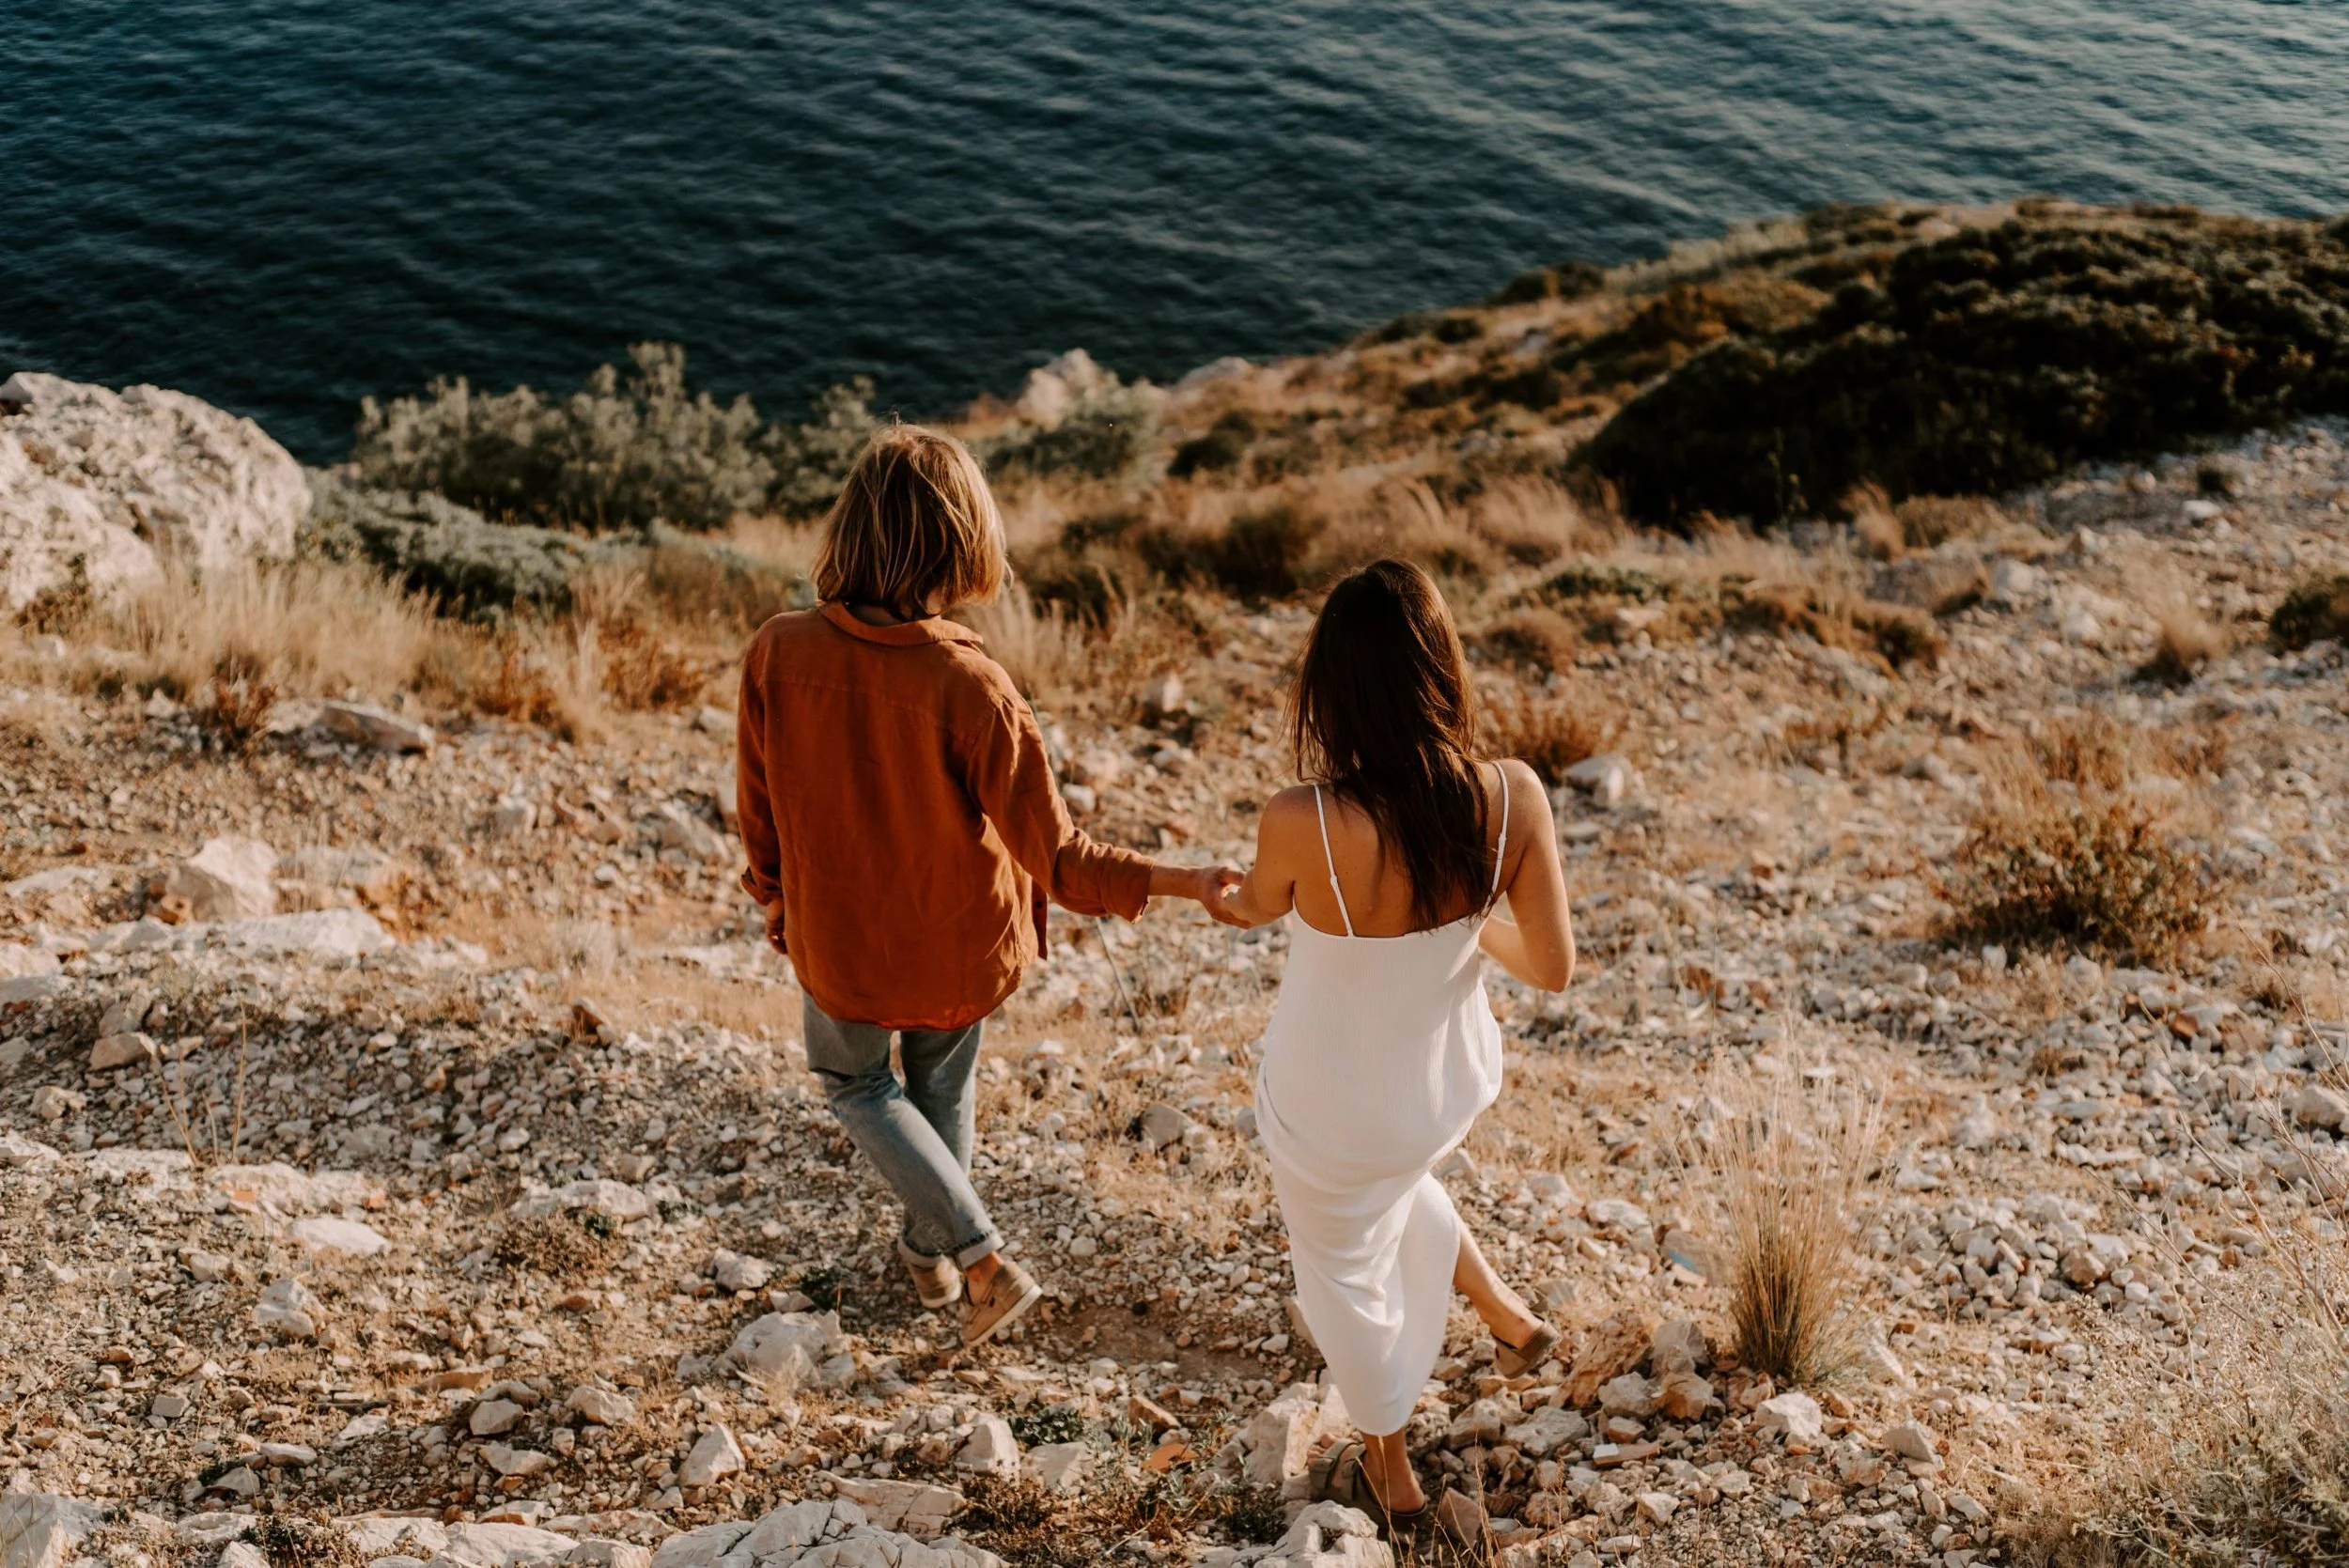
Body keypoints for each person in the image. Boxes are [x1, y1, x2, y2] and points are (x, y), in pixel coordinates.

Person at [736, 424, 1239, 1347]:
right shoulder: (972, 684)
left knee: (852, 1080)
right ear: (961, 543)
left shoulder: (777, 651)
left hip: (841, 944)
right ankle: (932, 1263)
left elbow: (757, 807)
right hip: (961, 946)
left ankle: (977, 1259)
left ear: (851, 527)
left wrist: (776, 902)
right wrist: (1184, 881)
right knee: (940, 1093)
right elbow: (1061, 857)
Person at [1215, 558, 1576, 1530]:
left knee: (1337, 1265)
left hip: (1326, 1104)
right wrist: (1463, 927)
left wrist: (1229, 893)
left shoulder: (1303, 819)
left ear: (1332, 688)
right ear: (1443, 669)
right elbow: (1551, 967)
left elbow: (1251, 905)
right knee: (1396, 1172)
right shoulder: (1512, 797)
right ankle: (1506, 1316)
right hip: (1440, 1090)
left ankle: (1391, 1469)